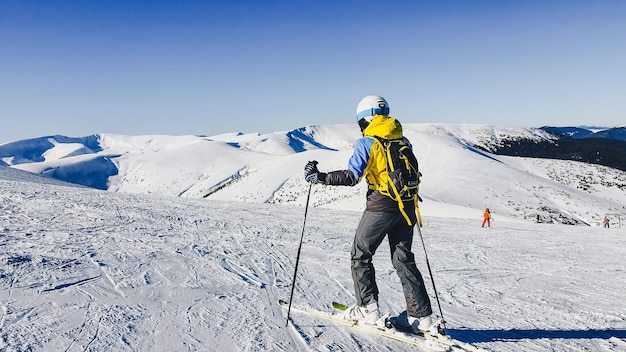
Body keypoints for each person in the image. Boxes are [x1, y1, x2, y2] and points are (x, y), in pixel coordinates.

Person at [303, 95, 437, 334]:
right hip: (407, 206)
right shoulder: (402, 139)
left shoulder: (368, 142)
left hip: (381, 206)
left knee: (360, 255)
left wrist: (320, 177)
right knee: (403, 259)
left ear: (363, 119)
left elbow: (352, 176)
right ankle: (421, 317)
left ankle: (367, 309)